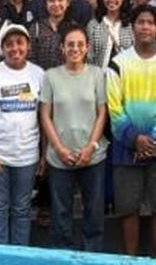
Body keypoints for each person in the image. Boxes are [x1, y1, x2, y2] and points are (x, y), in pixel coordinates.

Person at [106, 4, 156, 257]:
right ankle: (131, 260)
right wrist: (134, 139)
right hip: (125, 148)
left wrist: (151, 142)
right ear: (133, 27)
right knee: (128, 208)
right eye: (140, 22)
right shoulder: (118, 63)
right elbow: (114, 107)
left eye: (150, 23)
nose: (145, 27)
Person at [0, 24, 46, 246]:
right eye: (9, 44)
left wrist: (44, 155)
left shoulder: (39, 74)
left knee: (22, 210)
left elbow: (44, 119)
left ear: (28, 46)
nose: (15, 48)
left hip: (27, 157)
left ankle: (20, 256)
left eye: (20, 43)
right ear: (3, 48)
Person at [39, 25, 108, 252]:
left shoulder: (97, 74)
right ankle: (63, 255)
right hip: (60, 156)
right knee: (60, 213)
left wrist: (91, 147)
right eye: (70, 44)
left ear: (87, 48)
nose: (75, 49)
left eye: (80, 44)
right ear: (62, 48)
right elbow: (45, 115)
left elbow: (102, 113)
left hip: (93, 156)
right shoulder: (51, 76)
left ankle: (92, 255)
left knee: (94, 212)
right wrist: (58, 148)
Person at [86, 0, 133, 68]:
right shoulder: (93, 25)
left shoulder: (130, 24)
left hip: (126, 75)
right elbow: (89, 58)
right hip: (99, 75)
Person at [29, 0, 76, 71]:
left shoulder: (74, 28)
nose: (56, 4)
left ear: (68, 2)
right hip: (41, 77)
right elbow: (30, 58)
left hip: (67, 76)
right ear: (46, 3)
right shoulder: (36, 28)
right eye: (51, 0)